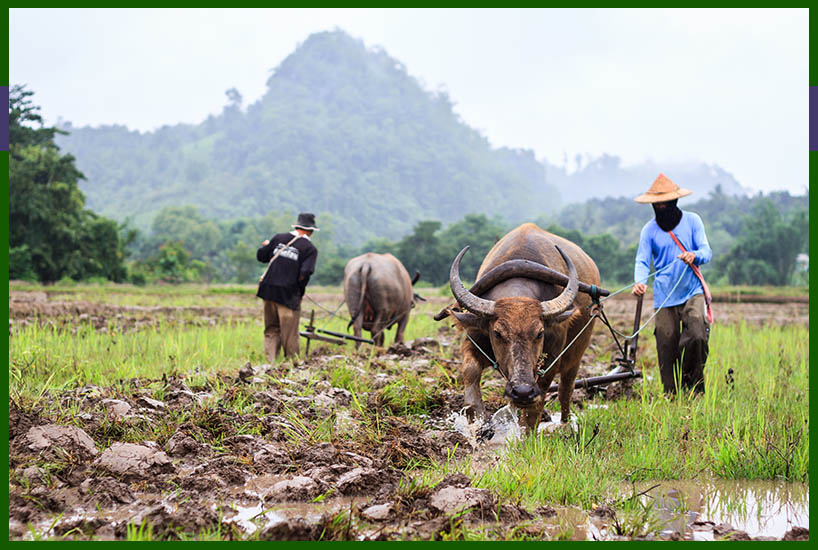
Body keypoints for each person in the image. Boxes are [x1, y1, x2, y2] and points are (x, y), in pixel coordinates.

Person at [632, 174, 712, 395]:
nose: (661, 208)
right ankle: (671, 395)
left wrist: (694, 255)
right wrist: (640, 282)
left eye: (666, 203)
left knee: (696, 334)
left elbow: (707, 251)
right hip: (664, 295)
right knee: (666, 345)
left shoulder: (693, 221)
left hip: (691, 291)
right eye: (657, 205)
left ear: (675, 202)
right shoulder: (649, 230)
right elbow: (642, 260)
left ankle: (694, 388)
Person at [257, 212, 319, 363]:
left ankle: (270, 363)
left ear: (297, 226)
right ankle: (292, 364)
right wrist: (299, 291)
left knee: (271, 329)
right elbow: (305, 272)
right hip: (288, 294)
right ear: (310, 231)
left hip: (268, 291)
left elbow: (261, 256)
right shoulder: (309, 248)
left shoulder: (279, 238)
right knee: (290, 333)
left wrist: (266, 246)